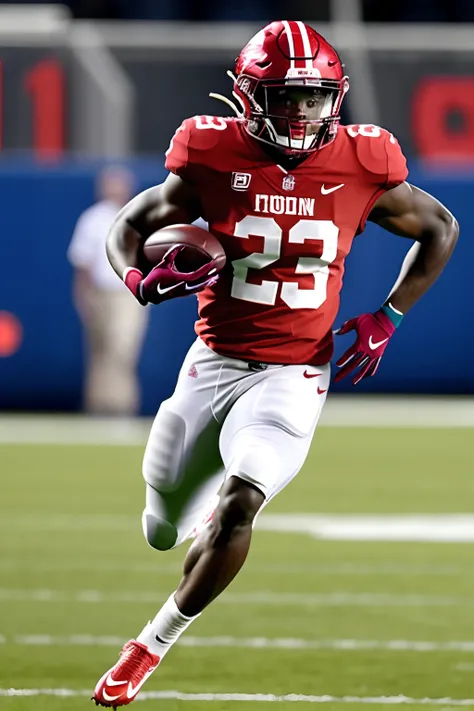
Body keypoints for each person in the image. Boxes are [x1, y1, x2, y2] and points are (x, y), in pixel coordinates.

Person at [92, 20, 458, 706]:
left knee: (239, 504)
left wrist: (390, 315)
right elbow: (129, 227)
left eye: (314, 98)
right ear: (247, 95)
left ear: (336, 98)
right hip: (213, 360)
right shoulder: (209, 150)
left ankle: (150, 643)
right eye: (285, 97)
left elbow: (440, 226)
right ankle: (180, 520)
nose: (301, 112)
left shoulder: (365, 159)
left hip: (296, 372)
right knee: (162, 524)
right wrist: (134, 276)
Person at [68, 165, 149, 416]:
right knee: (100, 348)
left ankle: (121, 405)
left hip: (128, 293)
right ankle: (99, 405)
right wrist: (83, 297)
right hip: (100, 292)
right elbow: (83, 264)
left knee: (122, 346)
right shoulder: (92, 219)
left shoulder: (139, 217)